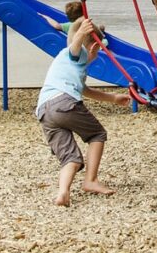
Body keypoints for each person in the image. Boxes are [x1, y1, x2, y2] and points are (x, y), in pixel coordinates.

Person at [36, 17, 131, 207]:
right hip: (64, 103)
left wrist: (113, 98)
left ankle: (63, 192)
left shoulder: (70, 64)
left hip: (45, 111)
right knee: (97, 134)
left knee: (70, 158)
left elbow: (85, 90)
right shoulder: (76, 55)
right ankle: (91, 180)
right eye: (98, 50)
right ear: (94, 47)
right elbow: (75, 48)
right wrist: (81, 32)